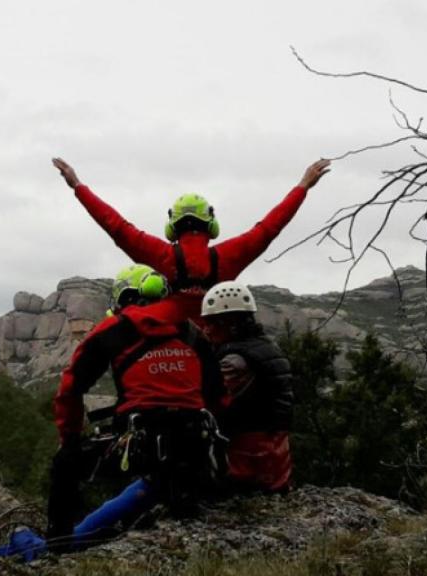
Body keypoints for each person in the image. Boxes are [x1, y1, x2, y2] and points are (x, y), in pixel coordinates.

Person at [46, 263, 225, 550]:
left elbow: (70, 389)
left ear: (123, 297)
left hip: (140, 445)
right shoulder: (189, 329)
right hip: (196, 445)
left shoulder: (111, 329)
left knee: (65, 465)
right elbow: (217, 392)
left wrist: (68, 439)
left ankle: (56, 545)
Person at [52, 157, 332, 323]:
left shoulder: (161, 256)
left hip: (172, 352)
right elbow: (270, 227)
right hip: (217, 355)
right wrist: (302, 186)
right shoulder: (227, 257)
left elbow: (116, 226)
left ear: (172, 226)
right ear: (211, 224)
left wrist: (78, 186)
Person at [200, 280, 293, 492]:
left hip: (248, 457)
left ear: (231, 323)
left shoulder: (235, 360)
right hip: (276, 455)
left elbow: (210, 402)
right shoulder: (266, 347)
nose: (207, 329)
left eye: (212, 323)